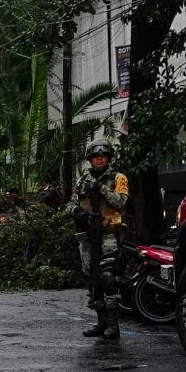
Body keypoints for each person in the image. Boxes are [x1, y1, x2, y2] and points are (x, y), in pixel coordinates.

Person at [75, 138, 129, 340]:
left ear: (108, 158)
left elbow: (121, 201)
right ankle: (101, 322)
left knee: (107, 277)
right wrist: (77, 212)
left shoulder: (117, 178)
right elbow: (71, 203)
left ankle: (113, 324)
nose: (99, 160)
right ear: (90, 160)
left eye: (103, 157)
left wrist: (102, 189)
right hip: (88, 235)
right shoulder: (83, 180)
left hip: (109, 233)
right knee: (93, 279)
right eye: (96, 157)